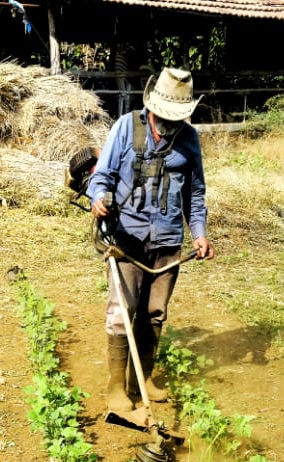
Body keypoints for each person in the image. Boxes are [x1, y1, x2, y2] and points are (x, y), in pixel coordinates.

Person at [86, 67, 215, 414]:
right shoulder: (126, 127)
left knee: (154, 312)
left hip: (169, 239)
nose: (170, 122)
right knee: (122, 311)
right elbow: (102, 177)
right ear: (153, 106)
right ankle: (116, 385)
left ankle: (142, 377)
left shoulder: (189, 139)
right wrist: (99, 198)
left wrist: (199, 233)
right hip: (127, 236)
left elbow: (196, 193)